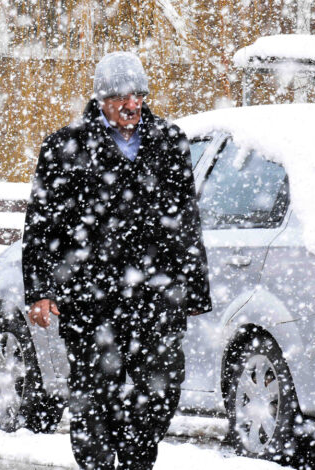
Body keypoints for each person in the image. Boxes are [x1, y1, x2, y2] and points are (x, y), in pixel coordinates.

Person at [21, 51, 212, 470]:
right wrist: (40, 290)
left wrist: (194, 286)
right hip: (90, 297)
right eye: (121, 97)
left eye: (138, 95)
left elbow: (185, 220)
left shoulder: (169, 141)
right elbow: (41, 224)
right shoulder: (65, 146)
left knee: (161, 391)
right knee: (94, 397)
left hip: (155, 295)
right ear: (102, 99)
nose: (131, 105)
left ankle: (136, 460)